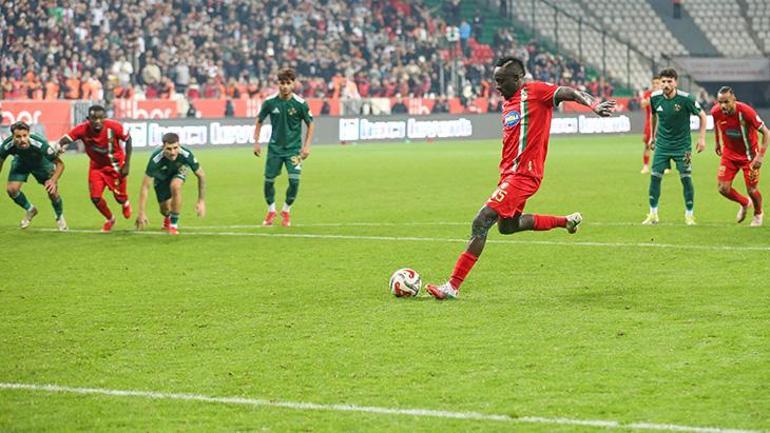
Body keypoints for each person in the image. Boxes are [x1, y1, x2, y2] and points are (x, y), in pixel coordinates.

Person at [424, 57, 616, 300]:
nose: (497, 86)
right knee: (508, 226)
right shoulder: (508, 102)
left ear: (517, 79)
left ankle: (452, 286)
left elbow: (569, 92)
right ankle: (566, 221)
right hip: (509, 175)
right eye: (495, 81)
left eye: (501, 81)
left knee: (481, 220)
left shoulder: (535, 92)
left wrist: (594, 104)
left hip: (524, 175)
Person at [642, 68, 707, 225]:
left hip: (682, 147)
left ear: (675, 82)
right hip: (662, 146)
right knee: (655, 177)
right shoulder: (655, 98)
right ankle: (653, 214)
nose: (666, 84)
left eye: (669, 81)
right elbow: (653, 116)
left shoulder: (686, 99)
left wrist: (702, 138)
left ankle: (689, 215)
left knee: (686, 179)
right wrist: (652, 137)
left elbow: (703, 116)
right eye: (663, 81)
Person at [253, 68, 315, 227]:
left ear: (293, 84)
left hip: (294, 150)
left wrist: (307, 147)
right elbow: (259, 120)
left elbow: (311, 124)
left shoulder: (300, 104)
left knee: (294, 182)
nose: (285, 86)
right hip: (275, 149)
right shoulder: (269, 102)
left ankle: (286, 211)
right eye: (282, 83)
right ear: (278, 84)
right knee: (268, 182)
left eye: (288, 83)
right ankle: (271, 210)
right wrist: (256, 142)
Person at [59, 104, 133, 232]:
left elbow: (128, 140)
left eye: (100, 118)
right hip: (96, 167)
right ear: (89, 119)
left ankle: (125, 203)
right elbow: (67, 138)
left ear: (105, 117)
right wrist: (59, 145)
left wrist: (127, 164)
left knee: (119, 198)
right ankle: (110, 219)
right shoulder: (82, 129)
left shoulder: (114, 127)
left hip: (115, 166)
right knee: (95, 198)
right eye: (94, 118)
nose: (97, 121)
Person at [711, 86, 768, 226]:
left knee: (752, 190)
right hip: (729, 155)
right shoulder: (715, 111)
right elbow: (717, 125)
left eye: (726, 102)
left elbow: (766, 133)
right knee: (723, 189)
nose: (723, 106)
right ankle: (745, 203)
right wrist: (717, 143)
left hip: (749, 157)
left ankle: (758, 213)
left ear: (734, 99)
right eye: (720, 102)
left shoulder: (746, 111)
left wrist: (760, 156)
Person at [0, 121, 67, 231]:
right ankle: (30, 210)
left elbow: (60, 164)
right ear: (12, 136)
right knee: (12, 190)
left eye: (25, 136)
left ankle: (59, 217)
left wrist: (53, 180)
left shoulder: (40, 144)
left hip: (42, 163)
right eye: (18, 137)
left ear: (29, 134)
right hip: (21, 162)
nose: (22, 139)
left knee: (52, 192)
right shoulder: (7, 146)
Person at [135, 133, 206, 235]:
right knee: (164, 209)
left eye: (175, 148)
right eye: (169, 149)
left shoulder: (186, 154)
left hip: (180, 169)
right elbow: (145, 187)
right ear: (163, 147)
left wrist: (201, 201)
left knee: (175, 186)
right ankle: (167, 217)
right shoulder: (155, 159)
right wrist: (141, 212)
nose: (173, 152)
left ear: (179, 145)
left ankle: (173, 225)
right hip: (161, 176)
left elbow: (201, 175)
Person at [640, 75, 661, 174]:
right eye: (653, 83)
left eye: (657, 83)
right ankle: (645, 166)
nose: (655, 85)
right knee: (647, 145)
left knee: (663, 146)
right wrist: (650, 99)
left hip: (663, 123)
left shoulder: (664, 94)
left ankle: (664, 166)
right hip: (650, 123)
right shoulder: (648, 94)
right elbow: (642, 104)